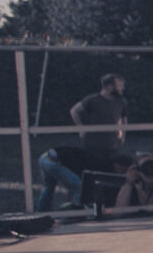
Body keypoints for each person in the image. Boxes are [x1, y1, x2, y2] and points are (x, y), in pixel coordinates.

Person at [39, 73, 127, 210]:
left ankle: (103, 204)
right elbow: (75, 110)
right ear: (109, 86)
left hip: (111, 146)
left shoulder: (121, 101)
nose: (122, 88)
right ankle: (77, 207)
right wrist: (81, 128)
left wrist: (122, 134)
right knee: (84, 179)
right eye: (119, 85)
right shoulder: (93, 100)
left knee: (108, 176)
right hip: (93, 145)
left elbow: (122, 118)